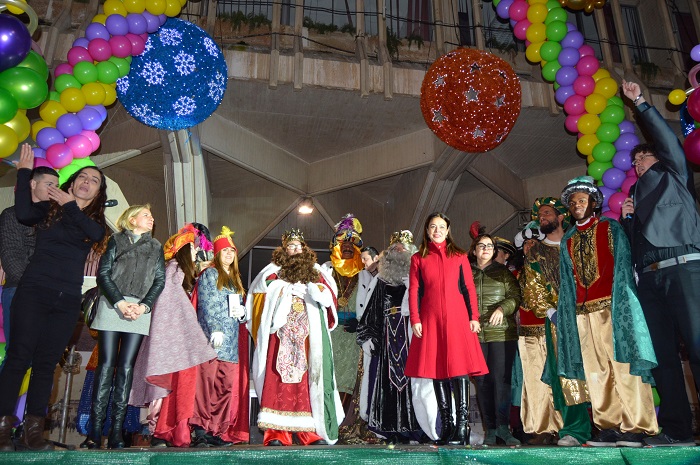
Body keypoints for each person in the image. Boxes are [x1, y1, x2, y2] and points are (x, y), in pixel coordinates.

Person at [0, 145, 107, 451]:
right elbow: (21, 213)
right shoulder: (49, 210)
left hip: (67, 298)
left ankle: (33, 432)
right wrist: (23, 174)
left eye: (94, 180)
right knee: (19, 357)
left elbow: (94, 235)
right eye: (82, 177)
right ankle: (3, 429)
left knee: (47, 363)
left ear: (98, 193)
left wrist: (72, 205)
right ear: (71, 183)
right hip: (34, 291)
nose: (87, 181)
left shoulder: (92, 221)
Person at [620, 80, 700, 447]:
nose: (637, 162)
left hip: (684, 268)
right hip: (650, 281)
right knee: (663, 358)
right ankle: (677, 429)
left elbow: (667, 143)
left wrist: (640, 102)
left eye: (643, 157)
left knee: (698, 347)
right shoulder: (636, 199)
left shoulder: (674, 176)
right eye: (634, 159)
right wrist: (627, 222)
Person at [557, 176, 658, 448]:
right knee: (596, 372)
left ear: (594, 203)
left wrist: (623, 307)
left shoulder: (610, 228)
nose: (577, 205)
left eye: (582, 200)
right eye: (572, 202)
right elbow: (567, 285)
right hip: (581, 315)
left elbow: (624, 269)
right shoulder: (567, 239)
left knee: (624, 367)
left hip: (612, 309)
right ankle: (609, 426)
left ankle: (636, 425)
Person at [251, 229, 343, 446]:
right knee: (278, 377)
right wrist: (283, 290)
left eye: (298, 245)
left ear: (305, 249)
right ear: (284, 250)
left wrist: (314, 290)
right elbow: (259, 293)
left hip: (307, 336)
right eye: (290, 246)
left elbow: (330, 295)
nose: (294, 249)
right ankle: (276, 432)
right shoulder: (274, 271)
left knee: (307, 380)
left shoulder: (315, 271)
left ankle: (308, 432)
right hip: (280, 334)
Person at [129, 225, 218, 448]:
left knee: (182, 388)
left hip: (179, 340)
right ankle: (163, 431)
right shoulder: (173, 270)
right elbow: (170, 307)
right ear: (183, 251)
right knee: (171, 387)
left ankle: (176, 432)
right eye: (194, 249)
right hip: (173, 341)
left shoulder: (180, 273)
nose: (197, 253)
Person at [87, 204, 166, 449]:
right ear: (132, 220)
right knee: (106, 365)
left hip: (140, 309)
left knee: (126, 369)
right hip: (112, 305)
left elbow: (159, 280)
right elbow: (104, 274)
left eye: (152, 215)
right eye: (146, 215)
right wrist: (119, 302)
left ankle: (117, 433)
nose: (152, 218)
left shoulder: (156, 247)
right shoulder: (116, 240)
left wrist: (144, 306)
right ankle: (95, 431)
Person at [405, 213, 487, 446]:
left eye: (441, 227)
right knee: (438, 370)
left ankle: (463, 426)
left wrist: (474, 316)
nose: (437, 230)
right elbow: (414, 291)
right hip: (430, 320)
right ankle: (448, 426)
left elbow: (468, 288)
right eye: (433, 227)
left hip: (457, 319)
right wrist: (416, 319)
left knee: (459, 369)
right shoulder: (418, 258)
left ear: (448, 229)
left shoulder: (459, 255)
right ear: (427, 231)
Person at [519, 198, 591, 447]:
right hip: (558, 321)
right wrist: (551, 312)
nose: (543, 218)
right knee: (568, 374)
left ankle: (609, 424)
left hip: (588, 314)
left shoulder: (576, 241)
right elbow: (532, 286)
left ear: (561, 216)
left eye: (547, 213)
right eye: (540, 215)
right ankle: (575, 429)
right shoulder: (536, 251)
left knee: (597, 368)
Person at [356, 232, 422, 443]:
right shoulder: (380, 282)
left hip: (413, 338)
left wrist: (414, 289)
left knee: (413, 384)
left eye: (403, 247)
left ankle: (415, 428)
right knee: (386, 384)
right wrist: (368, 336)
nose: (399, 251)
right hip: (386, 341)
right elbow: (371, 312)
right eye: (395, 248)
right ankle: (390, 429)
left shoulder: (419, 280)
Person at [191, 227, 249, 446]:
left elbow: (237, 308)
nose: (229, 254)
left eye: (232, 251)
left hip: (231, 344)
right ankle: (200, 430)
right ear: (216, 253)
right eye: (225, 251)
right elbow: (206, 304)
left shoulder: (235, 279)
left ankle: (216, 430)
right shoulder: (210, 274)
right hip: (212, 340)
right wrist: (214, 328)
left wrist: (243, 314)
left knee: (224, 386)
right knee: (206, 385)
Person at [470, 233, 522, 446]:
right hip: (474, 335)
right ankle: (489, 429)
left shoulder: (503, 273)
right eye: (481, 245)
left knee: (500, 381)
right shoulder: (465, 274)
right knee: (481, 382)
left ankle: (503, 428)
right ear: (474, 251)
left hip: (501, 334)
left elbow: (516, 297)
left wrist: (503, 308)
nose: (485, 249)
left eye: (489, 246)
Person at [0, 165, 58, 347]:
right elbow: (11, 257)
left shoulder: (55, 219)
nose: (53, 190)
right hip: (20, 289)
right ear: (32, 184)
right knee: (18, 353)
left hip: (50, 292)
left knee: (41, 356)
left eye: (56, 186)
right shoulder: (12, 215)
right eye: (49, 184)